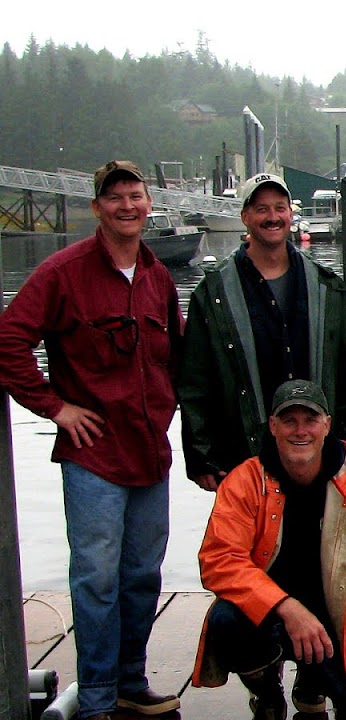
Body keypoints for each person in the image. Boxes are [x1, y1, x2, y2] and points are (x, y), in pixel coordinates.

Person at [177, 173, 346, 711]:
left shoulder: (324, 283)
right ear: (245, 217)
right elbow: (195, 379)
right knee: (251, 578)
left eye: (281, 207)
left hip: (322, 459)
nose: (273, 217)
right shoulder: (213, 292)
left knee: (331, 574)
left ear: (291, 215)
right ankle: (264, 681)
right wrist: (201, 452)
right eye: (261, 208)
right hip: (251, 462)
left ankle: (314, 684)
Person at [0, 160, 183, 719]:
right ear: (96, 208)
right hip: (94, 458)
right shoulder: (63, 272)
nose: (127, 206)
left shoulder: (158, 276)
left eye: (135, 196)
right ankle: (98, 697)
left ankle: (130, 680)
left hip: (150, 454)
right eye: (115, 198)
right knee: (96, 580)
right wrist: (56, 408)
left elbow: (177, 355)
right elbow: (9, 342)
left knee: (141, 576)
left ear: (148, 204)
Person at [191, 380, 346, 720]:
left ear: (326, 425)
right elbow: (218, 560)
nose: (300, 431)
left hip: (339, 630)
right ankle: (267, 692)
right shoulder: (244, 481)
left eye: (309, 420)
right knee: (226, 619)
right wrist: (286, 607)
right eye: (289, 420)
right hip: (274, 621)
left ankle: (315, 680)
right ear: (273, 427)